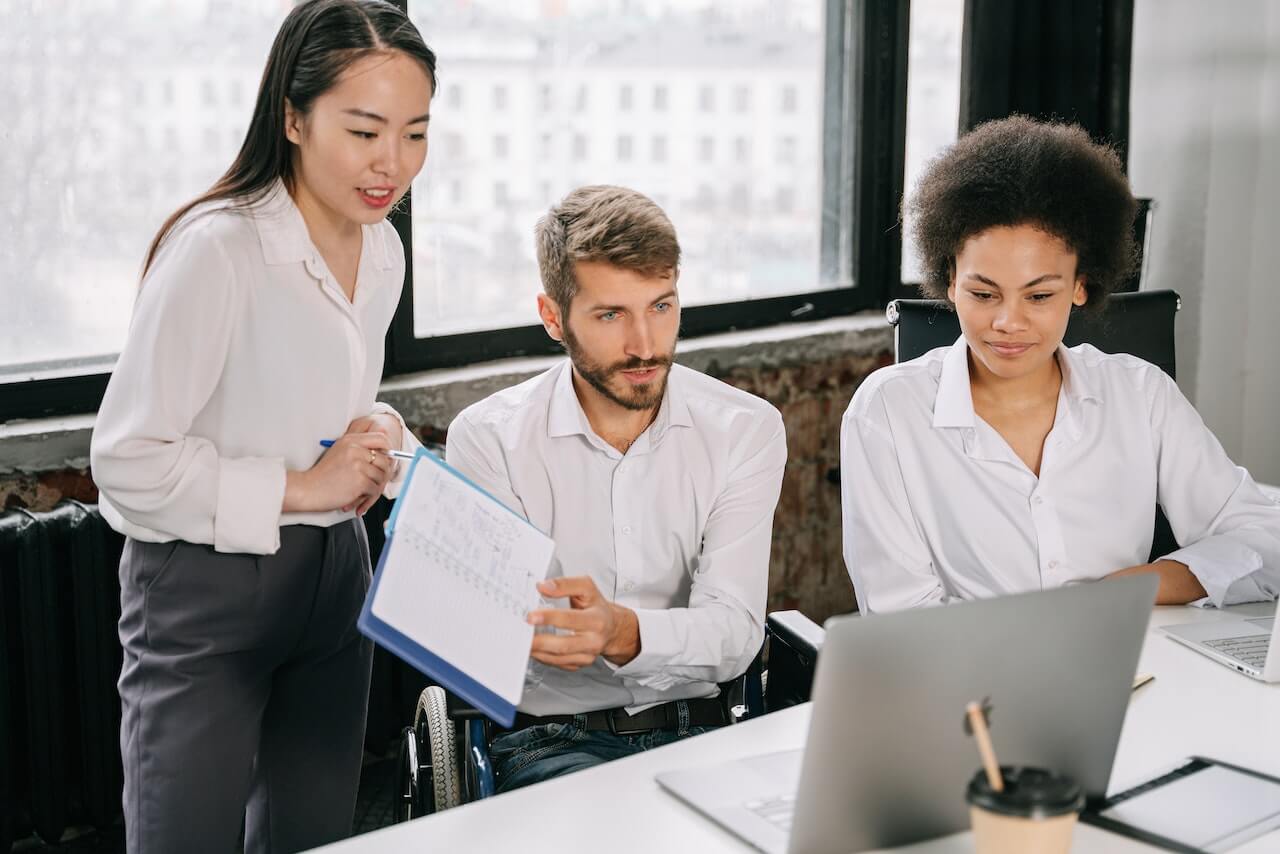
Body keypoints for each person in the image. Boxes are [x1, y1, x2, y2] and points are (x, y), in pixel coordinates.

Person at [88, 2, 436, 850]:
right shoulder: (216, 250)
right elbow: (126, 460)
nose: (392, 163)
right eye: (364, 131)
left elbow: (324, 401)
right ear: (292, 115)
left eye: (416, 133)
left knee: (312, 836)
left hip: (334, 580)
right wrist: (304, 486)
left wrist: (376, 436)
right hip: (204, 591)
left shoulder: (381, 246)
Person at [841, 116, 1280, 615]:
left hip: (1130, 669)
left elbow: (1263, 538)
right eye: (984, 293)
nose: (1008, 322)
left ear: (1080, 286)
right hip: (969, 683)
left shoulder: (1139, 394)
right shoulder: (887, 412)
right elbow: (898, 613)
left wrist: (1128, 589)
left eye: (1039, 295)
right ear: (949, 282)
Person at [444, 185, 787, 793]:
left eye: (661, 306)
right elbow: (488, 638)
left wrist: (621, 631)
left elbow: (735, 635)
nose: (645, 345)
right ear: (553, 317)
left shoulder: (745, 430)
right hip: (552, 740)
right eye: (611, 315)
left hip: (706, 732)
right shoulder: (490, 439)